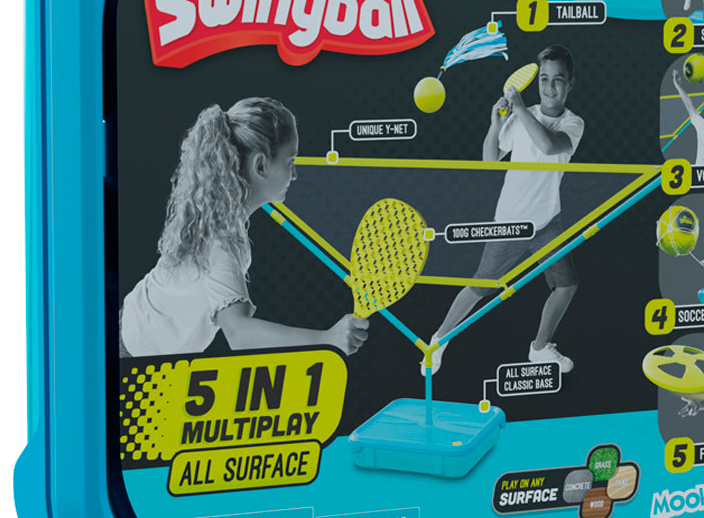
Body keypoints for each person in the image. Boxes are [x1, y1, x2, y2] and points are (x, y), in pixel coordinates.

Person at [121, 98, 368, 358]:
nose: (294, 174)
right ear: (260, 165)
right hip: (129, 355)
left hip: (133, 336)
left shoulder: (216, 217)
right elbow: (240, 335)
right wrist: (327, 339)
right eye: (290, 161)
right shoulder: (222, 242)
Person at [423, 45, 584, 375]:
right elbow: (490, 160)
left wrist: (520, 109)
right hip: (511, 223)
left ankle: (539, 349)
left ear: (570, 83)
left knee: (566, 285)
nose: (550, 86)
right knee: (479, 287)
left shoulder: (573, 123)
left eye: (558, 79)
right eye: (544, 79)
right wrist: (496, 123)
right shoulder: (521, 117)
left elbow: (548, 146)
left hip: (547, 223)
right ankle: (437, 341)